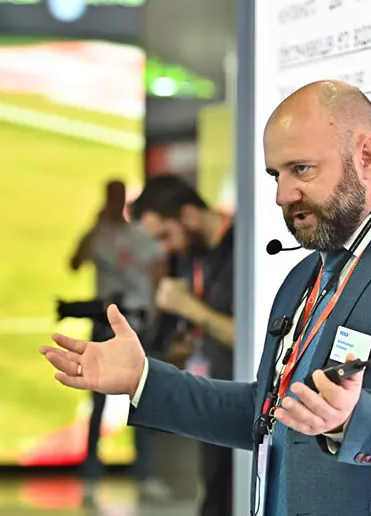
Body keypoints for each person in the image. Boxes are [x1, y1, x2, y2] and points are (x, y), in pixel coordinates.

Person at [43, 81, 371, 516]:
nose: (283, 195)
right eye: (276, 175)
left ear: (366, 156)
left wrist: (350, 419)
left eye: (301, 169)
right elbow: (267, 413)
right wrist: (143, 379)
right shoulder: (306, 275)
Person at [130, 175, 236, 516]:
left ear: (188, 215)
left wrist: (188, 306)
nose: (166, 247)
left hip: (244, 405)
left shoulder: (245, 249)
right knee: (214, 495)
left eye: (165, 235)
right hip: (210, 400)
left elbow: (255, 338)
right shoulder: (191, 255)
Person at [68, 180, 171, 505]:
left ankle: (146, 474)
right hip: (104, 324)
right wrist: (93, 227)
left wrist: (156, 313)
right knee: (96, 400)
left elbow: (158, 270)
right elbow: (74, 262)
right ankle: (91, 473)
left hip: (137, 324)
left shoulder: (139, 236)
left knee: (142, 398)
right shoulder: (99, 235)